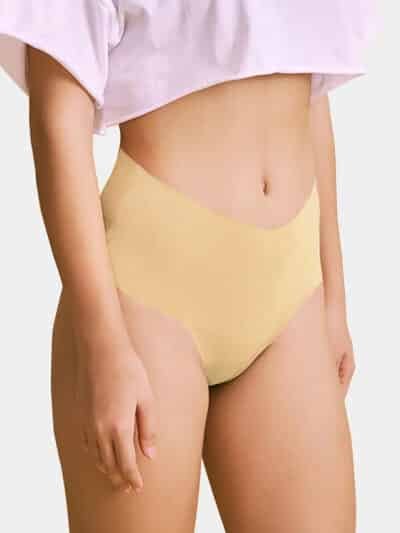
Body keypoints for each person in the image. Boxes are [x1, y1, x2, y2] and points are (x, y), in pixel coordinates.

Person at [0, 1, 378, 532]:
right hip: (148, 299)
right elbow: (58, 117)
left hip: (290, 297)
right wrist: (103, 344)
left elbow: (307, 88)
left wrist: (333, 294)